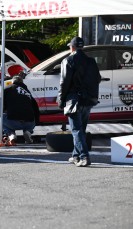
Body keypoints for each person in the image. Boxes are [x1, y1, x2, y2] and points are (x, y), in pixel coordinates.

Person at [57, 37, 101, 167]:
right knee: (81, 129)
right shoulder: (91, 61)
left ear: (72, 47)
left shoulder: (68, 60)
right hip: (88, 99)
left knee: (76, 130)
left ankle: (84, 156)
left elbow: (64, 82)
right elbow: (97, 78)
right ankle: (75, 155)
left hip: (74, 100)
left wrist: (61, 99)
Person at [0, 75, 39, 145]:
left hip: (12, 122)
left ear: (12, 82)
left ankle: (11, 134)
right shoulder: (28, 92)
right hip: (29, 123)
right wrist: (35, 123)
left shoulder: (8, 89)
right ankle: (28, 132)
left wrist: (6, 108)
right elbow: (36, 109)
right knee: (31, 117)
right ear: (22, 82)